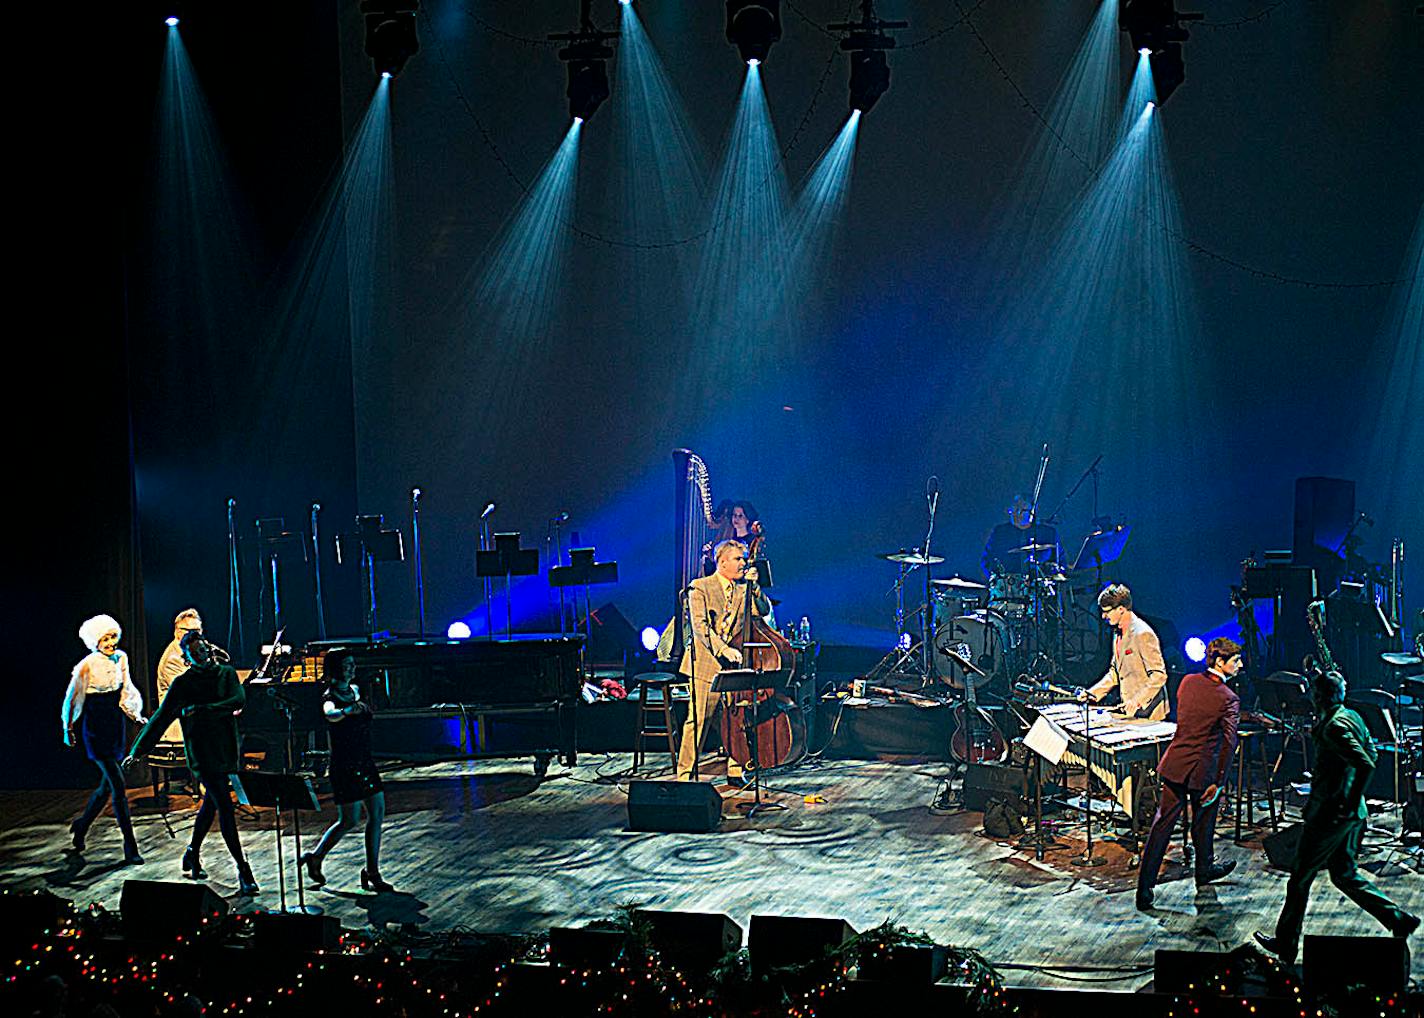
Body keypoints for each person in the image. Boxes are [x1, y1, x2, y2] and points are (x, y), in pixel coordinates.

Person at [1254, 668, 1419, 963]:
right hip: (1351, 814)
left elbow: (1365, 763)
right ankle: (1398, 919)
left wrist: (1346, 797)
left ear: (1320, 696)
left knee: (1300, 878)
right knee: (1344, 875)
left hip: (1332, 816)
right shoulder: (1352, 716)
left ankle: (1286, 944)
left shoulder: (1334, 727)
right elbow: (1372, 753)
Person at [125, 631, 257, 895]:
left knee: (211, 805)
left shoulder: (227, 674)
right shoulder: (183, 684)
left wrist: (204, 710)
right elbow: (161, 718)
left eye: (203, 649)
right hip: (202, 752)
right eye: (195, 653)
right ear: (187, 658)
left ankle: (192, 852)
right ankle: (243, 869)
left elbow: (238, 699)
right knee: (225, 807)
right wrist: (138, 750)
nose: (202, 654)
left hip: (226, 749)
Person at [1135, 637, 1242, 910]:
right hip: (1203, 772)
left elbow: (1191, 721)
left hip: (1176, 764)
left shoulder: (1187, 682)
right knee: (1203, 825)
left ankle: (1145, 888)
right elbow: (1229, 743)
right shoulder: (1228, 698)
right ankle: (1203, 869)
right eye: (1236, 660)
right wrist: (1219, 781)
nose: (1240, 665)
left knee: (1162, 826)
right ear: (1220, 662)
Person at [677, 539, 771, 784]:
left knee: (736, 720)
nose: (743, 563)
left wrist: (757, 588)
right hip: (706, 664)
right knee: (698, 720)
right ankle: (684, 775)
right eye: (738, 558)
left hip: (734, 666)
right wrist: (723, 650)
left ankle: (735, 770)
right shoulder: (700, 587)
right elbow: (700, 628)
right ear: (722, 562)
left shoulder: (744, 589)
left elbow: (763, 611)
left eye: (743, 558)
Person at [300, 650, 392, 893]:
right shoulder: (329, 696)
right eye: (347, 665)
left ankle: (372, 871)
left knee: (377, 813)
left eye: (353, 664)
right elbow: (329, 714)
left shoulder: (356, 691)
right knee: (348, 820)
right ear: (336, 669)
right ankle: (317, 856)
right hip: (345, 765)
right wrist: (345, 712)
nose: (352, 668)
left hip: (365, 761)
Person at [61, 614, 148, 864]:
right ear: (94, 640)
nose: (110, 642)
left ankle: (82, 825)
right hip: (95, 726)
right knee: (118, 786)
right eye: (105, 638)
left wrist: (135, 714)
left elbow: (127, 688)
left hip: (114, 724)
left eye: (113, 637)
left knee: (106, 786)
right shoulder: (86, 665)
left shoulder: (121, 658)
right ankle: (130, 846)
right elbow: (72, 697)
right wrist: (68, 727)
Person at [1083, 584, 1168, 721]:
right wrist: (1092, 693)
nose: (1103, 616)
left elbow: (1159, 675)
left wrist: (1137, 701)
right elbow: (1115, 672)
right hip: (1131, 712)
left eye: (1107, 611)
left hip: (1149, 713)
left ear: (1121, 609)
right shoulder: (1117, 633)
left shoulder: (1143, 634)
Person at [154, 608, 205, 747]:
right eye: (189, 631)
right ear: (177, 632)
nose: (195, 636)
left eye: (198, 631)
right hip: (179, 731)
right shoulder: (172, 659)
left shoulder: (194, 652)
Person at [981, 494, 1059, 578]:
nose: (1017, 514)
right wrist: (997, 581)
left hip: (1040, 586)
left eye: (1022, 510)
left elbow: (1060, 562)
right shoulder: (1000, 532)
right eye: (1014, 509)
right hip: (1009, 585)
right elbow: (987, 560)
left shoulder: (1047, 533)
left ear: (1031, 511)